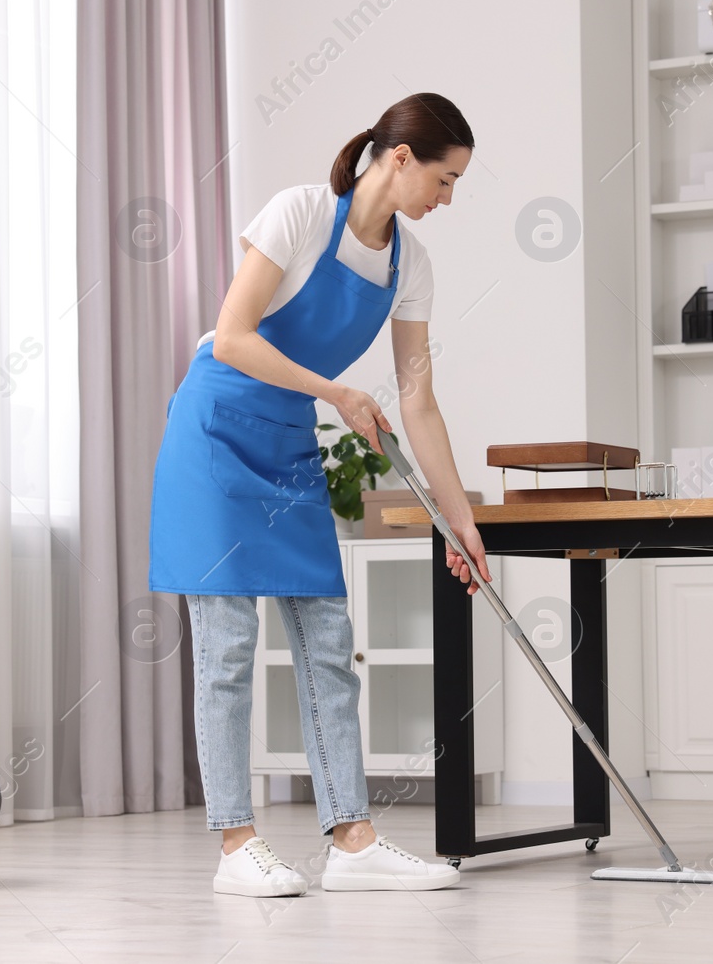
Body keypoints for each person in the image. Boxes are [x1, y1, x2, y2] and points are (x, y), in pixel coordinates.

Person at [148, 92, 491, 896]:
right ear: (400, 158)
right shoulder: (301, 213)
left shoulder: (411, 266)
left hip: (287, 444)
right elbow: (232, 336)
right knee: (228, 650)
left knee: (328, 646)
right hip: (215, 433)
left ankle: (353, 838)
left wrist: (459, 519)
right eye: (445, 180)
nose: (448, 200)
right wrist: (337, 394)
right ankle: (236, 845)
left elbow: (418, 402)